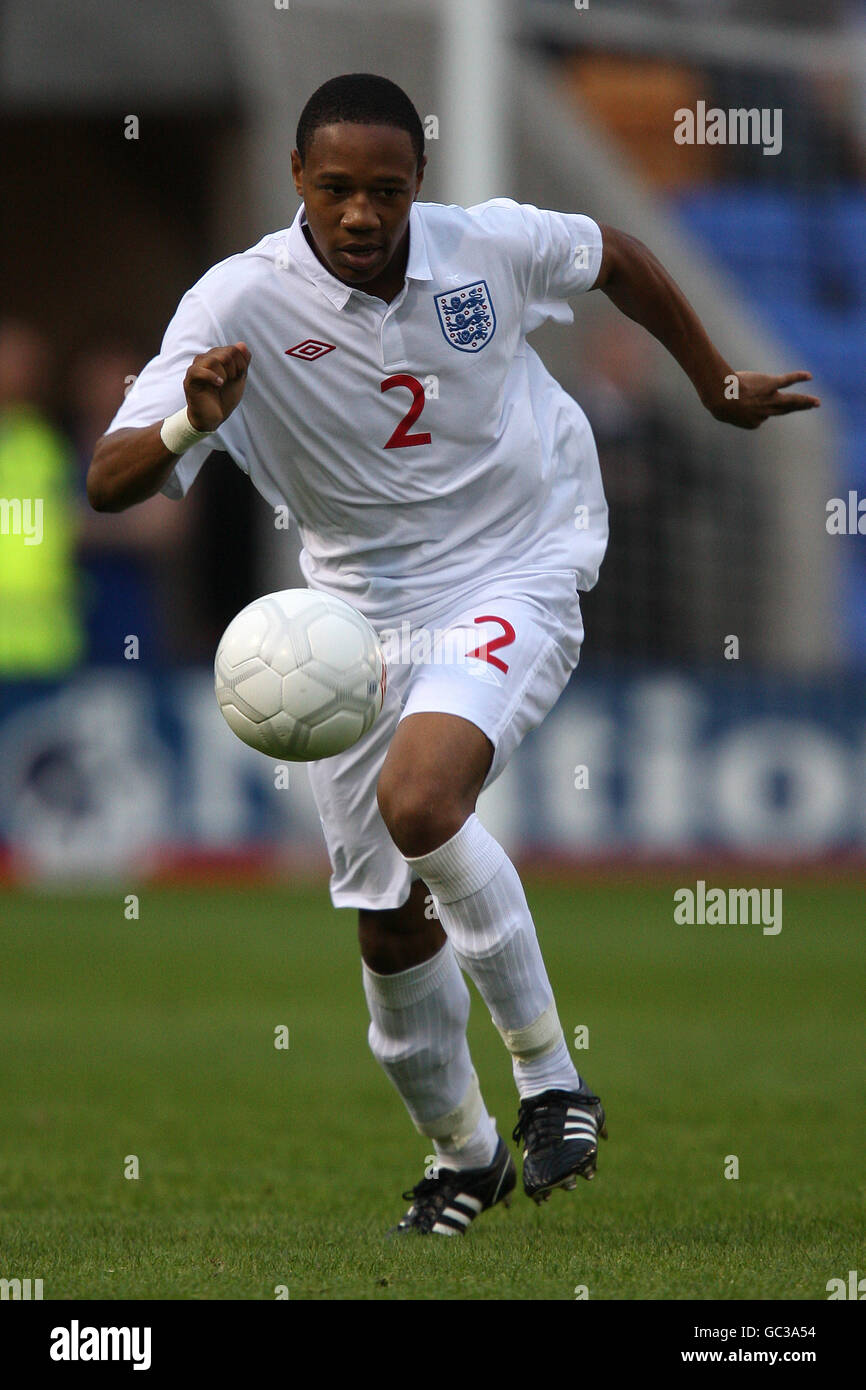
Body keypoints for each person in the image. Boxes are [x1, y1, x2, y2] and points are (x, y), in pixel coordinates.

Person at [87, 73, 820, 1237]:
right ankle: (462, 1154)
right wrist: (191, 419)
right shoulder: (235, 303)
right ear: (296, 183)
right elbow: (109, 480)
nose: (363, 214)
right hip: (355, 616)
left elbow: (617, 254)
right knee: (388, 925)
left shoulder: (486, 247)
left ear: (418, 184)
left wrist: (712, 381)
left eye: (386, 189)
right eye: (336, 189)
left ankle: (550, 1083)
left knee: (421, 800)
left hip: (516, 561)